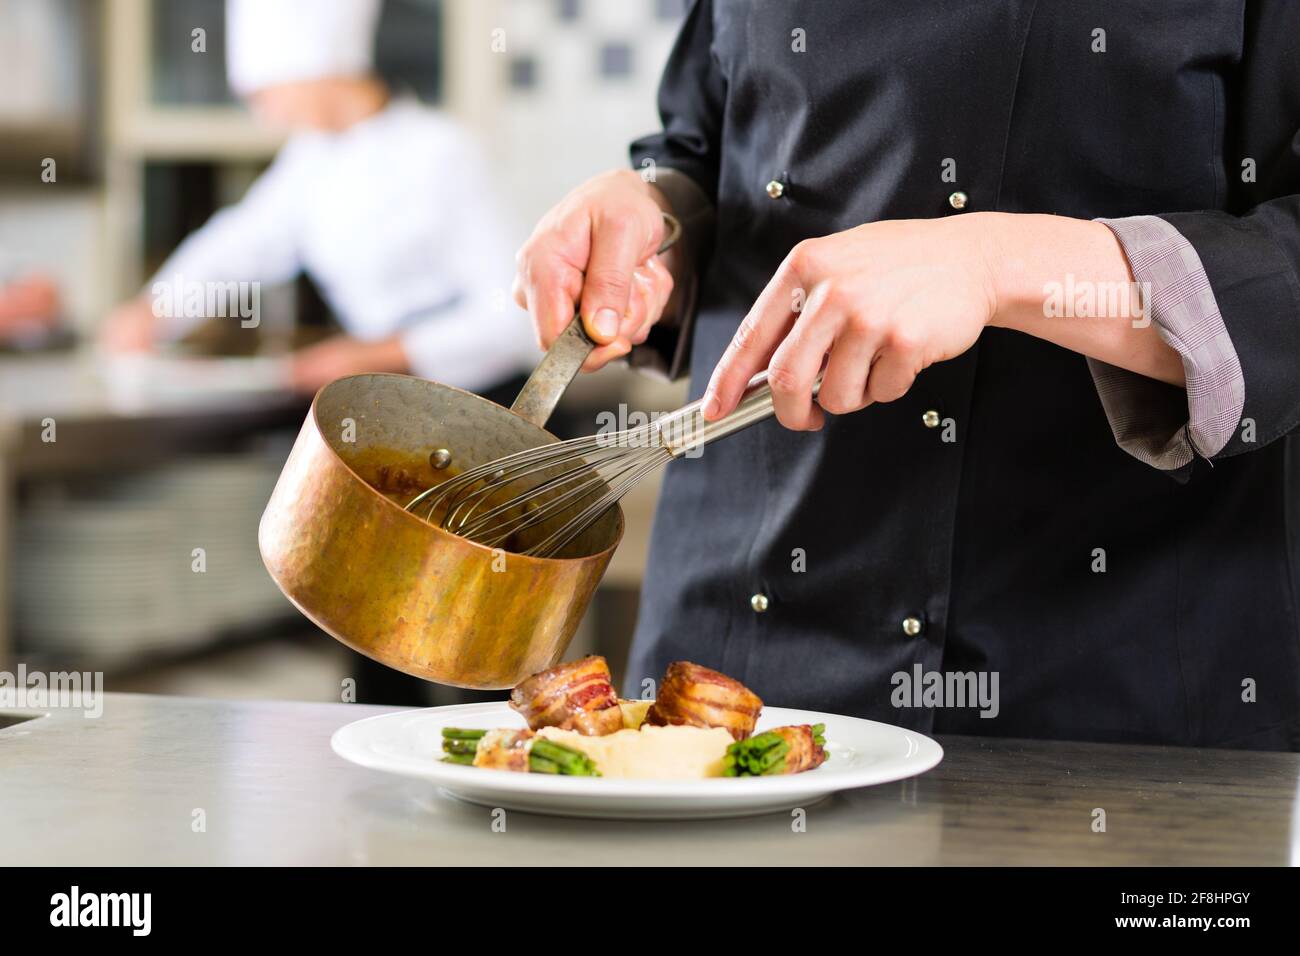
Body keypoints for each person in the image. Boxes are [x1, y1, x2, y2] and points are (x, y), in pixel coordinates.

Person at [513, 1, 1300, 750]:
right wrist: (653, 217)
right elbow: (704, 150)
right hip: (733, 662)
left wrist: (997, 265)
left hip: (1107, 683)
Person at [101, 0, 535, 398]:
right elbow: (236, 247)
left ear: (320, 71)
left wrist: (370, 357)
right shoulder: (311, 161)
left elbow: (509, 317)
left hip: (486, 406)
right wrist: (154, 310)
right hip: (397, 404)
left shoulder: (442, 151)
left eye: (265, 94)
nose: (262, 115)